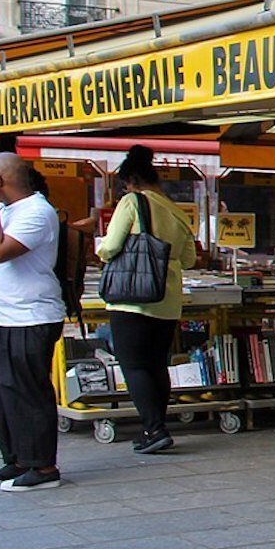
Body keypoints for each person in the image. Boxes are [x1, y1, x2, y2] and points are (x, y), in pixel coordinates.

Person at [0, 153, 66, 491]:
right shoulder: (10, 211)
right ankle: (17, 459)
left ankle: (43, 466)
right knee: (0, 392)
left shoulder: (37, 211)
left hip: (29, 317)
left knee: (27, 392)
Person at [94, 146, 197, 454]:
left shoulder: (132, 202)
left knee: (134, 364)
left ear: (133, 181)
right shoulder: (176, 210)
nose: (125, 189)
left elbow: (110, 246)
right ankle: (157, 425)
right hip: (167, 300)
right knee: (155, 364)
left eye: (125, 184)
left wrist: (101, 250)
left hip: (132, 299)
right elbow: (189, 259)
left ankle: (154, 428)